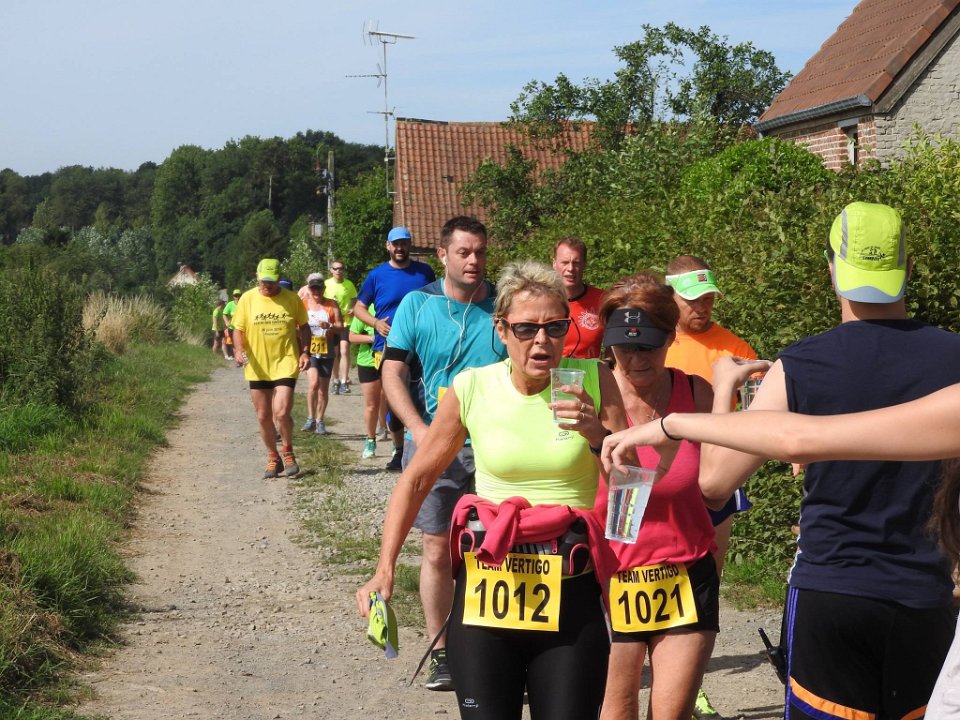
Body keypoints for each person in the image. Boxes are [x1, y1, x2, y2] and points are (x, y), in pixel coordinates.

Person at [619, 202, 960, 720]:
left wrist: (724, 390)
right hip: (928, 591)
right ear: (908, 269)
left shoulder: (802, 362)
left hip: (833, 585)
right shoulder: (953, 357)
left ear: (832, 269)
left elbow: (715, 481)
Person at [358, 259, 627, 719]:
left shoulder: (594, 381)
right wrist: (384, 569)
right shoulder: (472, 387)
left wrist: (597, 436)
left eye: (555, 327)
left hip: (570, 592)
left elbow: (631, 492)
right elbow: (417, 479)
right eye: (526, 328)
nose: (542, 340)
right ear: (500, 329)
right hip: (489, 594)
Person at [600, 383, 960, 720]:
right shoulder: (598, 383)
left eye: (648, 347)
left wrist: (677, 421)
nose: (638, 358)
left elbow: (751, 464)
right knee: (617, 704)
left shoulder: (703, 386)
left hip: (691, 566)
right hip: (618, 566)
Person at [380, 216, 505, 691]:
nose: (474, 261)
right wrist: (417, 429)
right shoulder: (419, 304)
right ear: (443, 255)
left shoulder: (503, 306)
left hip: (495, 446)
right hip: (435, 444)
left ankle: (500, 648)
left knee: (504, 548)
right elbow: (393, 371)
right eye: (464, 252)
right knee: (436, 548)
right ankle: (442, 653)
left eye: (480, 252)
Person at [592, 273, 718, 720]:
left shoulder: (697, 394)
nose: (636, 358)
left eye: (648, 345)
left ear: (671, 337)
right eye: (623, 347)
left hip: (684, 575)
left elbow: (718, 488)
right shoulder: (585, 398)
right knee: (615, 712)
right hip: (609, 579)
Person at [664, 254, 758, 720]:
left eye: (708, 298)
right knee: (657, 577)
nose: (702, 307)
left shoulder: (734, 347)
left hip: (718, 477)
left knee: (706, 584)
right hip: (666, 476)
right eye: (692, 299)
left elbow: (761, 408)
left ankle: (690, 686)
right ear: (671, 297)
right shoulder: (655, 342)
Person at [353, 226, 436, 471]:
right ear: (388, 246)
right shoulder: (377, 275)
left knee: (424, 394)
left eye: (404, 243)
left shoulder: (424, 272)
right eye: (395, 244)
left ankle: (426, 447)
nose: (400, 248)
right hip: (387, 346)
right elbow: (358, 308)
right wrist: (375, 323)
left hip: (422, 343)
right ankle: (399, 450)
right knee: (394, 399)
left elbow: (438, 301)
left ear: (409, 245)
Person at [232, 259, 311, 479]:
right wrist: (239, 350)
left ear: (279, 278)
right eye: (264, 280)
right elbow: (238, 329)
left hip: (285, 362)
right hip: (257, 365)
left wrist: (305, 352)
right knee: (263, 415)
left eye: (272, 281)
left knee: (282, 412)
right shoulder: (247, 299)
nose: (268, 285)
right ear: (257, 276)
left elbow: (304, 327)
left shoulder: (292, 299)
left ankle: (288, 451)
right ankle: (273, 457)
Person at [301, 274, 343, 435]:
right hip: (310, 350)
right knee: (313, 384)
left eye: (319, 288)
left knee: (323, 389)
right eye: (313, 289)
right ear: (309, 289)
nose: (316, 292)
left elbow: (341, 326)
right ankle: (310, 418)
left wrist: (330, 326)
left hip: (327, 349)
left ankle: (320, 420)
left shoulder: (332, 304)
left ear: (324, 289)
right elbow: (297, 325)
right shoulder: (303, 304)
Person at [552, 237, 605, 358]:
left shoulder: (603, 300)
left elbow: (616, 342)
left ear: (584, 264)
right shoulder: (540, 300)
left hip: (589, 370)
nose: (570, 269)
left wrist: (608, 362)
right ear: (554, 263)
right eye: (565, 262)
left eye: (576, 263)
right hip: (550, 369)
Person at [348, 303, 380, 459]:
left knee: (391, 403)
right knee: (372, 405)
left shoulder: (395, 305)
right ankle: (371, 440)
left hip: (390, 360)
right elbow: (352, 336)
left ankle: (397, 445)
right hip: (368, 362)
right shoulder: (365, 310)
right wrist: (372, 338)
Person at [324, 259, 358, 395]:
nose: (338, 271)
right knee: (334, 353)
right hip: (332, 323)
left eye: (341, 268)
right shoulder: (326, 284)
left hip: (346, 322)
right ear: (331, 270)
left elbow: (354, 299)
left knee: (344, 351)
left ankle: (344, 381)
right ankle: (335, 380)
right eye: (335, 268)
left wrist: (353, 309)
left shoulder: (349, 284)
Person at [223, 288, 241, 365]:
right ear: (233, 296)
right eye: (235, 296)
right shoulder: (230, 304)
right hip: (232, 328)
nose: (237, 297)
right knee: (234, 344)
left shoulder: (244, 303)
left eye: (239, 295)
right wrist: (226, 322)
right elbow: (224, 314)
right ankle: (238, 360)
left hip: (242, 328)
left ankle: (243, 358)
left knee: (243, 344)